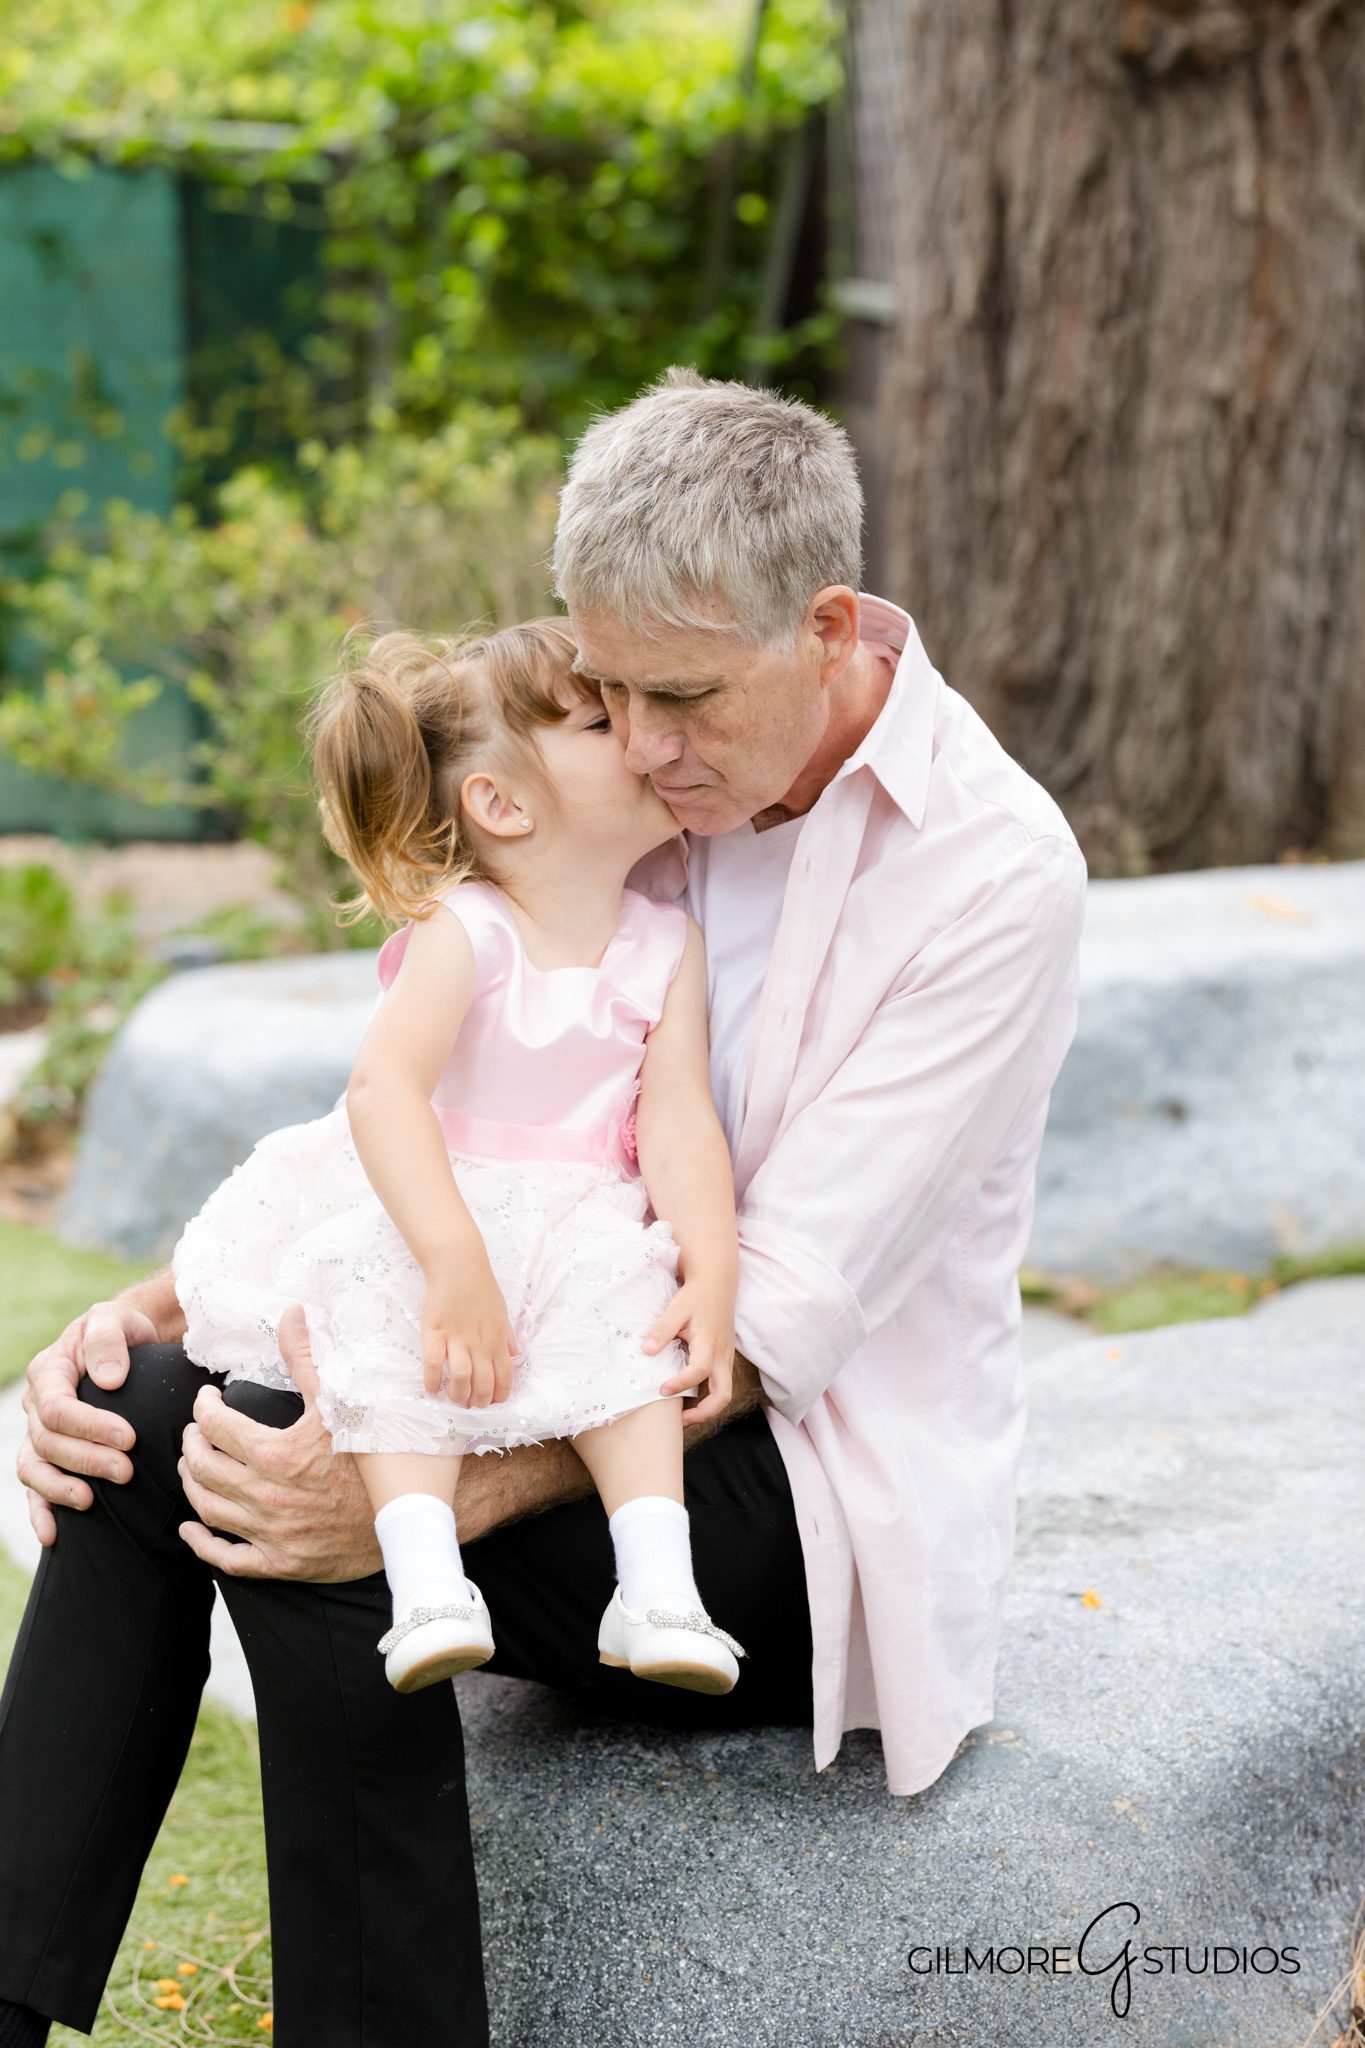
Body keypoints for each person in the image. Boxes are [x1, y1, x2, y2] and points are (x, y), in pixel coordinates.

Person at [0, 369, 1087, 2048]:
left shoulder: (993, 873)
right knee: (156, 1418)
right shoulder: (654, 792)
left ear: (822, 625)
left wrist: (417, 1485)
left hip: (790, 1490)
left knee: (319, 1487)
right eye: (609, 693)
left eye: (684, 700)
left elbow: (768, 1325)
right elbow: (487, 1120)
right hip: (558, 1357)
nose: (647, 748)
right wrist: (156, 1308)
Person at [171, 618, 746, 1697]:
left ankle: (658, 1588)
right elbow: (384, 1089)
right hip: (448, 1208)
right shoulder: (467, 930)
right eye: (598, 718)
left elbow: (678, 1123)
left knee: (632, 1352)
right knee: (395, 1359)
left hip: (584, 1219)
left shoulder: (667, 942)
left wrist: (711, 1270)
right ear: (502, 804)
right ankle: (428, 1582)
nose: (638, 737)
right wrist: (452, 1257)